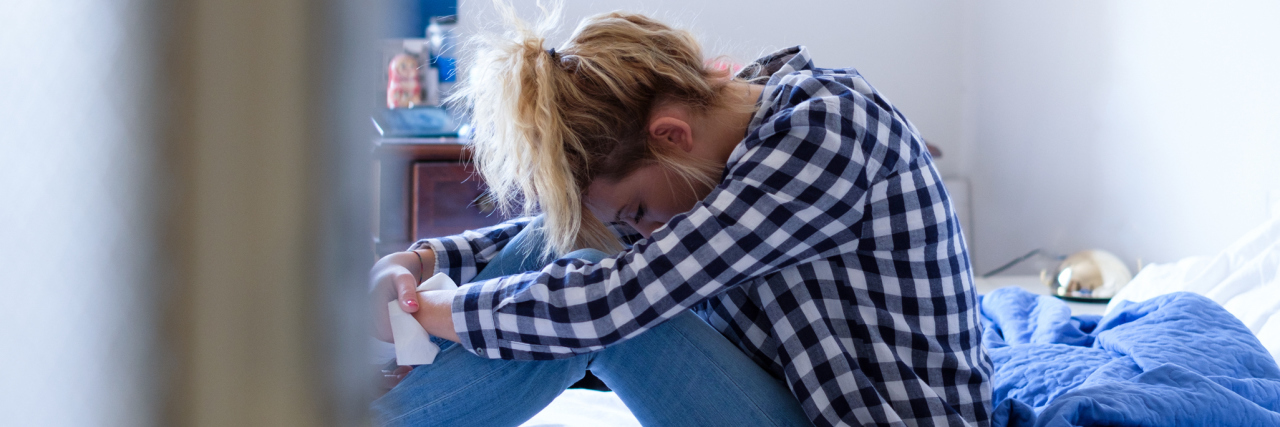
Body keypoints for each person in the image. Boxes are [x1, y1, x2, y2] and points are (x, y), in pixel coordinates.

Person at [368, 4, 992, 427]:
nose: (638, 230)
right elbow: (567, 237)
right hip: (802, 398)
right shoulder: (735, 127)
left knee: (598, 300)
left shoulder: (826, 134)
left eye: (638, 210)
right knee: (569, 256)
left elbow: (612, 299)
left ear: (670, 136)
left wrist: (438, 312)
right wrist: (420, 262)